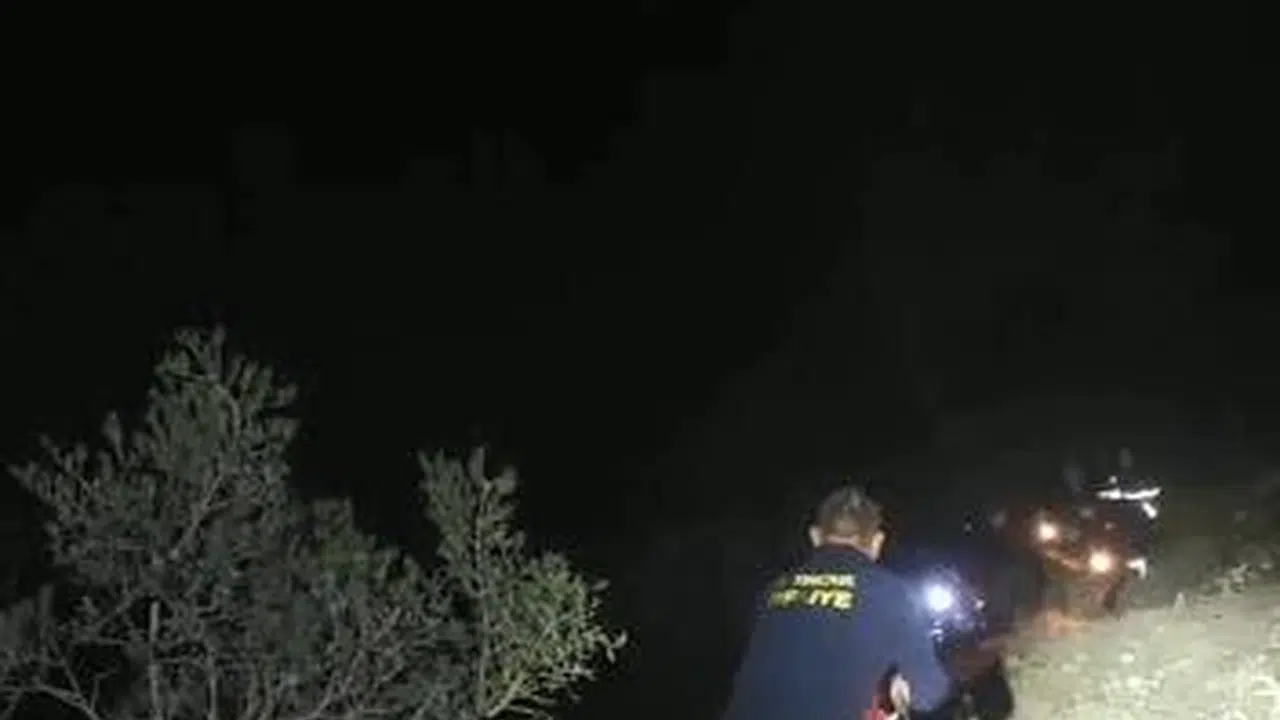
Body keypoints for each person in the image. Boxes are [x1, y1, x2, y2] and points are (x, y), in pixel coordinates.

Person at [721, 486, 996, 720]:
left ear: (815, 536)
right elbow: (929, 695)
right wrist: (902, 687)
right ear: (877, 542)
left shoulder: (773, 592)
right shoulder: (890, 592)